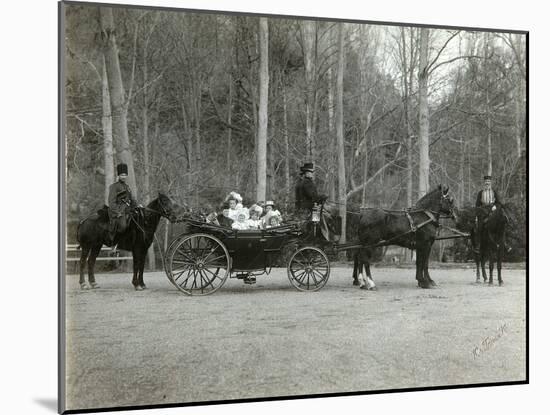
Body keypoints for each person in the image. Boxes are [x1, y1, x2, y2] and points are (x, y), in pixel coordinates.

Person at [474, 175, 510, 253]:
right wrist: (478, 213)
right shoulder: (480, 193)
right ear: (484, 183)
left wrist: (495, 206)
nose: (487, 183)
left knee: (501, 223)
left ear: (490, 183)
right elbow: (477, 205)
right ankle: (478, 245)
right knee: (479, 226)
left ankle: (505, 244)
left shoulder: (494, 192)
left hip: (493, 210)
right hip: (483, 211)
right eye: (486, 182)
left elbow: (499, 203)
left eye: (488, 182)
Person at [108, 163, 139, 245]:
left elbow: (132, 199)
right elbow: (111, 202)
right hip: (119, 211)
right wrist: (117, 212)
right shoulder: (114, 187)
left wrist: (137, 205)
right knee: (123, 226)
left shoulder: (127, 187)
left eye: (125, 175)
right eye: (122, 175)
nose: (124, 177)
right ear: (118, 175)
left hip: (128, 210)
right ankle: (115, 243)